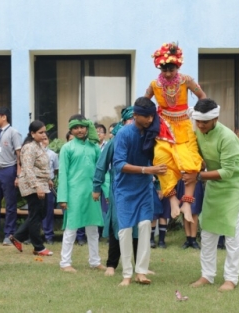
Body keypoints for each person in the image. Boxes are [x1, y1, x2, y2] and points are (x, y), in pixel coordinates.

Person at [185, 98, 239, 292]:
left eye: (204, 122)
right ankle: (207, 275)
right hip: (213, 184)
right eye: (198, 122)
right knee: (208, 232)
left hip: (233, 186)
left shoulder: (227, 137)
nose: (201, 125)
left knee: (231, 234)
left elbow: (228, 172)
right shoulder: (197, 128)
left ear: (216, 119)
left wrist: (197, 176)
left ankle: (231, 278)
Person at [145, 42, 206, 224]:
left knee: (191, 163)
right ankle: (172, 200)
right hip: (164, 126)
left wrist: (200, 115)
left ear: (177, 67)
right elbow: (144, 102)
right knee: (161, 159)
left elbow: (203, 97)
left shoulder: (186, 80)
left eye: (171, 69)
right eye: (164, 70)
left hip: (185, 125)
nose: (168, 73)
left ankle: (187, 203)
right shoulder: (154, 85)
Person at [113, 97, 167, 286]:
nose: (150, 120)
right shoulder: (124, 134)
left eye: (152, 116)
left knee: (145, 225)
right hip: (125, 189)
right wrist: (147, 170)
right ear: (135, 115)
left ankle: (141, 272)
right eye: (146, 117)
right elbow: (119, 164)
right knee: (125, 230)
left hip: (144, 187)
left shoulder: (153, 132)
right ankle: (127, 274)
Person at [93, 106, 138, 276]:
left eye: (137, 119)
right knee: (117, 225)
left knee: (139, 227)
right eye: (130, 120)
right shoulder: (115, 140)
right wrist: (97, 187)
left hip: (139, 190)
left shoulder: (145, 139)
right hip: (119, 189)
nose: (133, 123)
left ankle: (140, 265)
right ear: (124, 121)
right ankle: (111, 264)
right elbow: (101, 165)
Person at [58, 114, 105, 273]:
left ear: (87, 127)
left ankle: (95, 261)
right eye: (75, 128)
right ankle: (65, 263)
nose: (79, 130)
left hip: (92, 194)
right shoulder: (67, 148)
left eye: (82, 127)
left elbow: (101, 171)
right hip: (74, 194)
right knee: (71, 229)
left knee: (93, 230)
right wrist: (63, 198)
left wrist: (103, 190)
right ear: (71, 130)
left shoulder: (95, 147)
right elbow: (63, 174)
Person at [9, 121, 53, 256]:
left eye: (44, 132)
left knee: (41, 213)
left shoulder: (38, 146)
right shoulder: (29, 147)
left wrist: (48, 179)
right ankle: (38, 247)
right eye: (40, 132)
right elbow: (27, 168)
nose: (43, 134)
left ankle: (18, 237)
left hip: (42, 183)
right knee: (35, 215)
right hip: (32, 184)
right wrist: (37, 187)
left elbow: (41, 166)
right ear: (32, 134)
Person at [0, 107, 22, 245]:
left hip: (9, 169)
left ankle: (9, 234)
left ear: (4, 117)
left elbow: (19, 155)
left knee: (10, 204)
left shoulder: (14, 133)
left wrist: (18, 175)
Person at [41, 132, 58, 245]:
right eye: (41, 138)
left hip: (49, 186)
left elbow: (56, 170)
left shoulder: (53, 155)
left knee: (48, 212)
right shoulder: (32, 153)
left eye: (46, 139)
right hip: (36, 185)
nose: (43, 141)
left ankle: (48, 235)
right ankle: (34, 235)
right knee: (35, 211)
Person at [178, 179, 205, 250]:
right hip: (183, 181)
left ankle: (193, 239)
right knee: (185, 210)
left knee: (194, 211)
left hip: (195, 180)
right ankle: (188, 239)